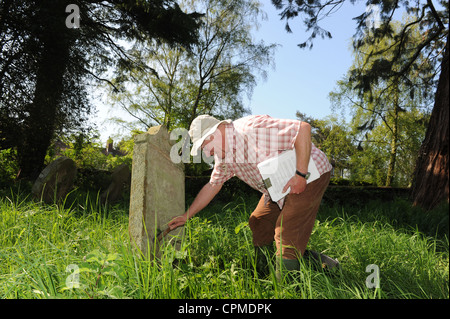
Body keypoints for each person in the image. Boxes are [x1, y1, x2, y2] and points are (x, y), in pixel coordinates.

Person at [169, 114, 335, 275]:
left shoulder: (251, 129)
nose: (206, 154)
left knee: (286, 230)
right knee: (259, 221)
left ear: (213, 134)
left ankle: (286, 288)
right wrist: (186, 215)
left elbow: (302, 129)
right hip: (278, 186)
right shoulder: (224, 157)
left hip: (310, 173)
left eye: (204, 146)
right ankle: (270, 269)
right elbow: (213, 185)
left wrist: (300, 175)